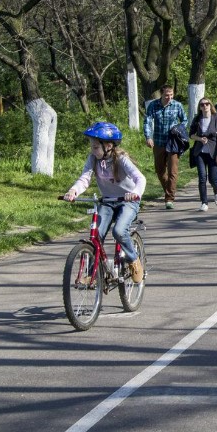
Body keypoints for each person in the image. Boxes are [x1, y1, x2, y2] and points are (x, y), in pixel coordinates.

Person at [64, 122, 146, 283]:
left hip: (127, 202)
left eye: (95, 147)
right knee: (96, 235)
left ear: (108, 145)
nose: (92, 151)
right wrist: (73, 190)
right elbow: (85, 179)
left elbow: (140, 178)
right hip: (108, 202)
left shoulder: (121, 159)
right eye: (92, 147)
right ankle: (91, 274)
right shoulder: (93, 159)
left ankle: (133, 260)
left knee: (119, 231)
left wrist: (135, 193)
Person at [144, 85, 187, 209]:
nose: (169, 98)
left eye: (171, 95)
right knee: (159, 170)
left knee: (172, 170)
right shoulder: (153, 105)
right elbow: (147, 121)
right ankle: (169, 188)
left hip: (173, 142)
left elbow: (184, 120)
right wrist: (148, 137)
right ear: (161, 95)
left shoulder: (177, 105)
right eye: (167, 95)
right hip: (158, 141)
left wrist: (178, 129)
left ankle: (169, 198)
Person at [188, 97, 217, 212]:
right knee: (202, 177)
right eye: (202, 105)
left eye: (207, 104)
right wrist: (199, 138)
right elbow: (191, 135)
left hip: (213, 152)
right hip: (199, 152)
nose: (205, 106)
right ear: (200, 107)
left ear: (210, 105)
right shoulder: (197, 119)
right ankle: (204, 202)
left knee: (213, 179)